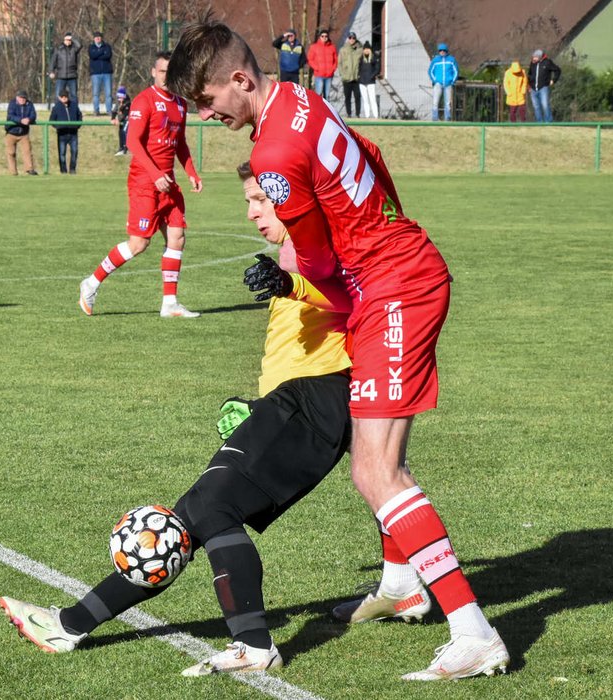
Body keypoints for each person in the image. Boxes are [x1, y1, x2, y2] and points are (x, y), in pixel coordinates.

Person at [165, 20, 510, 681]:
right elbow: (370, 153)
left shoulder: (271, 154)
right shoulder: (301, 95)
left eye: (209, 103)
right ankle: (403, 586)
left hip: (392, 287)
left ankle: (474, 632)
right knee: (371, 450)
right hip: (393, 272)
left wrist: (305, 278)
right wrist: (386, 230)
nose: (207, 117)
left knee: (375, 471)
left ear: (241, 80)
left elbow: (318, 257)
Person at [1, 162, 353, 675]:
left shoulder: (318, 240)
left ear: (289, 195)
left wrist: (291, 285)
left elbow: (356, 297)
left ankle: (254, 646)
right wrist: (262, 404)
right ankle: (70, 624)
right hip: (292, 402)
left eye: (259, 199)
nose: (251, 212)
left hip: (314, 400)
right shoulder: (294, 245)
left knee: (212, 507)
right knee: (183, 522)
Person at [78, 51, 203, 318]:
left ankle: (170, 304)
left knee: (177, 236)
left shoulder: (180, 104)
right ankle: (91, 282)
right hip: (145, 182)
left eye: (171, 72)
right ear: (153, 72)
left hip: (168, 183)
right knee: (138, 244)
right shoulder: (144, 101)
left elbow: (180, 143)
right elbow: (133, 142)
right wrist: (155, 173)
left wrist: (191, 171)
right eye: (162, 71)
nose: (166, 77)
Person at [4, 89, 38, 176]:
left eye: (24, 98)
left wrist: (29, 119)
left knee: (27, 151)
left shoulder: (30, 104)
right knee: (11, 153)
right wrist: (21, 120)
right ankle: (13, 172)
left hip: (24, 133)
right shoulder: (12, 104)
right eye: (20, 97)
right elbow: (10, 116)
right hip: (11, 132)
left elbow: (33, 115)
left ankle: (29, 169)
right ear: (17, 97)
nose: (22, 99)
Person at [49, 89, 82, 174]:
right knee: (62, 153)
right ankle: (63, 170)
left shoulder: (74, 105)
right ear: (59, 97)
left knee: (74, 152)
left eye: (65, 96)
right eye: (62, 97)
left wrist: (77, 126)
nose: (64, 98)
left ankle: (72, 169)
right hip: (62, 134)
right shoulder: (56, 107)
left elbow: (79, 116)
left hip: (73, 133)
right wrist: (58, 127)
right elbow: (51, 120)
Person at [527, 49, 560, 123]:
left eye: (535, 57)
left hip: (543, 88)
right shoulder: (532, 63)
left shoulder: (547, 62)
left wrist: (553, 80)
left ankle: (548, 121)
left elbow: (557, 70)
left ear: (540, 57)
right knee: (536, 107)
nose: (533, 59)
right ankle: (539, 122)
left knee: (545, 105)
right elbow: (529, 74)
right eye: (533, 57)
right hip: (533, 89)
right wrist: (529, 86)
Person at [428, 43, 458, 121]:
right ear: (438, 51)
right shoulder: (435, 60)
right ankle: (435, 118)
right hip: (438, 83)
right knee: (435, 101)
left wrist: (452, 81)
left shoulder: (452, 60)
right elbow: (430, 71)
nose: (442, 52)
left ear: (446, 51)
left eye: (444, 50)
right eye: (440, 50)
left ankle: (447, 118)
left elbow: (456, 71)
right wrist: (435, 80)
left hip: (448, 84)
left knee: (448, 102)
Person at [48, 32, 82, 101]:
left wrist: (72, 38)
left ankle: (74, 110)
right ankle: (58, 110)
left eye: (69, 40)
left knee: (73, 95)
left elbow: (79, 45)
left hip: (72, 76)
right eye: (67, 39)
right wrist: (51, 71)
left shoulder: (74, 49)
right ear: (64, 40)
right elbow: (53, 61)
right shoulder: (58, 49)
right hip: (61, 76)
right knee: (58, 94)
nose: (68, 41)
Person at [338, 31, 362, 118]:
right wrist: (342, 74)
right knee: (347, 97)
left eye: (353, 38)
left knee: (357, 96)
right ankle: (349, 113)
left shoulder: (360, 50)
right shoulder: (343, 49)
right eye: (350, 38)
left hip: (356, 78)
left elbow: (363, 62)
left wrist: (360, 74)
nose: (352, 39)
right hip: (346, 78)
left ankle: (358, 114)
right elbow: (339, 63)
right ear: (348, 39)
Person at [307, 28, 337, 100]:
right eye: (322, 36)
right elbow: (310, 59)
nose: (324, 38)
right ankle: (318, 111)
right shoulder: (314, 47)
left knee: (327, 96)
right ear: (320, 37)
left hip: (329, 75)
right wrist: (317, 68)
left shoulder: (332, 47)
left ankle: (327, 111)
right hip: (319, 75)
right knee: (318, 95)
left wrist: (332, 69)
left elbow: (336, 60)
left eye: (326, 36)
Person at [88, 31, 113, 116]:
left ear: (101, 38)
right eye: (96, 37)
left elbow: (108, 55)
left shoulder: (107, 46)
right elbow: (92, 56)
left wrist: (98, 54)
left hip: (107, 73)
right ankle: (96, 110)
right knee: (95, 94)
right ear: (94, 38)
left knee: (108, 93)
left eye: (99, 37)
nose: (98, 38)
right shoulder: (91, 47)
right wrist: (102, 52)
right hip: (95, 74)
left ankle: (109, 111)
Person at [358, 42, 380, 119]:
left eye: (368, 49)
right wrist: (359, 77)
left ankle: (375, 116)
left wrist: (372, 76)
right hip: (362, 82)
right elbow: (358, 69)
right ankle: (367, 116)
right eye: (365, 49)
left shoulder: (374, 58)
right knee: (365, 99)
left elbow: (377, 69)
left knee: (372, 99)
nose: (366, 51)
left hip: (371, 82)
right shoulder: (361, 59)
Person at [110, 85, 131, 156]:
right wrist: (113, 118)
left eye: (121, 97)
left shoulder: (127, 103)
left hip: (127, 120)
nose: (120, 99)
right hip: (122, 120)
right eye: (119, 97)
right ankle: (121, 147)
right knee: (120, 132)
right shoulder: (118, 102)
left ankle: (125, 148)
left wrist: (118, 120)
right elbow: (114, 110)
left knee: (124, 132)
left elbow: (125, 114)